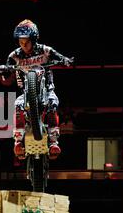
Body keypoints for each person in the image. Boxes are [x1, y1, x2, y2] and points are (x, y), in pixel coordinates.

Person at [5, 19, 73, 160]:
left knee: (52, 104)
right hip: (25, 92)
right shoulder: (14, 55)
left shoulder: (45, 50)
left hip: (47, 90)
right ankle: (18, 142)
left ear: (33, 39)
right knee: (17, 106)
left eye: (26, 41)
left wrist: (65, 60)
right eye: (21, 42)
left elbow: (60, 57)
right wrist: (3, 71)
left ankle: (54, 142)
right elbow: (6, 72)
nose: (23, 45)